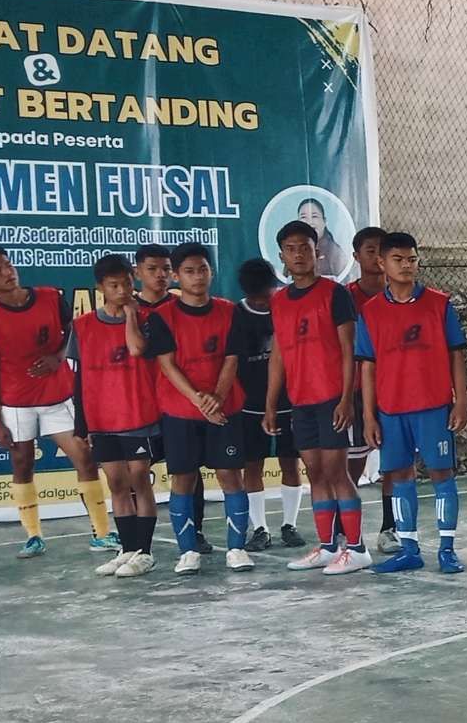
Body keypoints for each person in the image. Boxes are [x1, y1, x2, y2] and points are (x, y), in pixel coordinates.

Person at [0, 246, 118, 557]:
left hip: (58, 396)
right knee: (23, 464)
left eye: (8, 265)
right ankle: (33, 535)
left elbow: (74, 334)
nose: (8, 272)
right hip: (16, 404)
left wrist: (58, 357)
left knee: (85, 457)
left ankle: (102, 533)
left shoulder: (50, 297)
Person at [140, 242, 258, 573]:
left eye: (203, 270)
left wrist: (217, 397)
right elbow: (167, 365)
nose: (197, 277)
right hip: (181, 412)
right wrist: (198, 400)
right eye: (189, 271)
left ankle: (236, 549)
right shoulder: (162, 317)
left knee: (230, 476)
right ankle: (188, 552)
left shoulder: (230, 311)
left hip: (224, 408)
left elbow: (232, 359)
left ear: (212, 272)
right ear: (176, 276)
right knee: (183, 479)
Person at [356, 233, 467, 575]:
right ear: (382, 263)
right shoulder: (370, 312)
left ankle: (447, 550)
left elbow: (456, 354)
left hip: (433, 406)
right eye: (398, 259)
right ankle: (408, 550)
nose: (407, 265)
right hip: (391, 410)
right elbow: (368, 366)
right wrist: (369, 415)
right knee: (399, 476)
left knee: (441, 474)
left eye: (412, 259)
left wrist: (461, 401)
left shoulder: (439, 303)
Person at [263, 219, 371, 575]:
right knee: (315, 473)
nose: (298, 255)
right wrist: (271, 404)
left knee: (337, 472)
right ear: (281, 256)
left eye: (304, 248)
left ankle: (356, 549)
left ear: (317, 252)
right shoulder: (279, 301)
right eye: (290, 249)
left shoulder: (334, 294)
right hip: (301, 400)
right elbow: (279, 354)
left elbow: (349, 350)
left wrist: (346, 399)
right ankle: (327, 547)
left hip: (332, 398)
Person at [74, 252, 164, 578]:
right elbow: (80, 376)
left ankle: (145, 552)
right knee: (115, 482)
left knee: (139, 478)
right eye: (114, 285)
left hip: (139, 414)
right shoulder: (83, 326)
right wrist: (82, 423)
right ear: (100, 288)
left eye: (127, 283)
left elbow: (140, 350)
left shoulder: (148, 319)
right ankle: (127, 549)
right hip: (102, 419)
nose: (123, 290)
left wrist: (130, 317)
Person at [230, 259, 301, 553]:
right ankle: (260, 528)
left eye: (268, 295)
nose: (265, 302)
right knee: (252, 465)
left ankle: (289, 524)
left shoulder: (285, 308)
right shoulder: (236, 315)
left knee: (290, 462)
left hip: (288, 401)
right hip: (250, 405)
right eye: (258, 299)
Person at [341, 228, 398, 554]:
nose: (376, 257)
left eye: (381, 251)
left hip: (394, 390)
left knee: (394, 461)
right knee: (353, 463)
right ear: (356, 256)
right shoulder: (345, 297)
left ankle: (390, 528)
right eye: (370, 250)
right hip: (357, 390)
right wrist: (346, 394)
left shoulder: (400, 295)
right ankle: (345, 531)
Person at [302, 198, 352, 281]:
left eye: (314, 216)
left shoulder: (334, 252)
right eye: (303, 217)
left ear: (324, 221)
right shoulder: (296, 253)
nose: (309, 222)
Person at [134, 243, 176, 318]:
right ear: (137, 273)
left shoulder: (181, 306)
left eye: (166, 269)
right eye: (152, 269)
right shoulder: (127, 306)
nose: (161, 274)